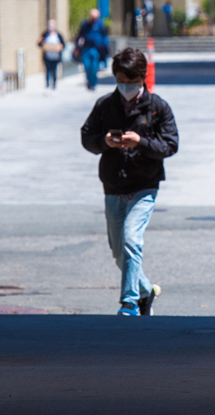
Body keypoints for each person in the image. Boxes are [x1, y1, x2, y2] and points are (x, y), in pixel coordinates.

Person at [80, 48, 179, 316]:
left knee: (131, 240)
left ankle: (129, 302)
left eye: (130, 81)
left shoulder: (157, 107)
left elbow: (171, 144)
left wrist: (141, 141)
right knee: (118, 251)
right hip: (113, 185)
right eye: (120, 81)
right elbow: (87, 136)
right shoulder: (105, 105)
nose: (125, 86)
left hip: (144, 185)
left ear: (141, 78)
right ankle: (146, 292)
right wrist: (105, 142)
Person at [75, 9, 107, 90]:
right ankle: (88, 80)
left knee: (94, 67)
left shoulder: (100, 24)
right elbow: (80, 35)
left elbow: (104, 36)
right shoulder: (85, 24)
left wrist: (104, 47)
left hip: (96, 48)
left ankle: (93, 83)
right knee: (87, 66)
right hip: (86, 48)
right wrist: (77, 47)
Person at [37, 19, 65, 93]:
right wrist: (41, 42)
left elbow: (63, 45)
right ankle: (47, 86)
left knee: (54, 71)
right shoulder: (45, 34)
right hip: (47, 56)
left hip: (55, 57)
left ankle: (54, 86)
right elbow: (39, 44)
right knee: (47, 71)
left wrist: (60, 47)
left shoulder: (58, 35)